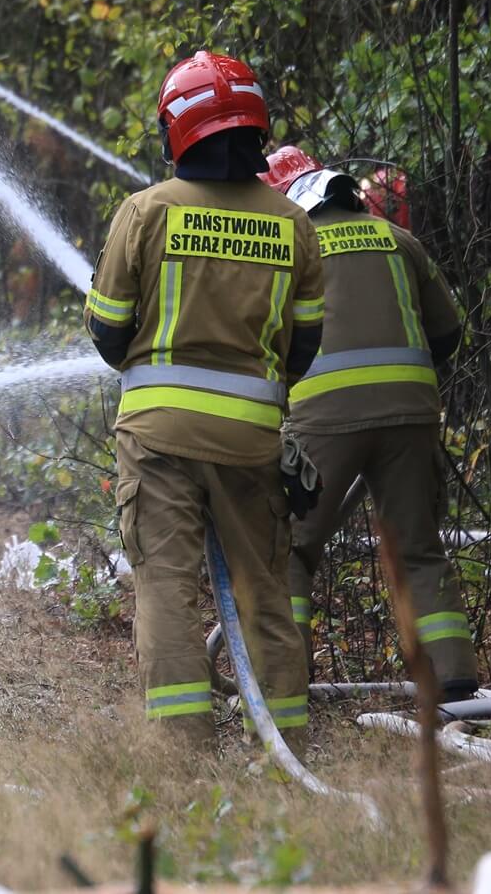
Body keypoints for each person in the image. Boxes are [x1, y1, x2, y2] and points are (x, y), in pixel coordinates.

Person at [84, 50, 323, 749]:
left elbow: (108, 330)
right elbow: (303, 348)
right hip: (252, 444)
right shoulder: (293, 224)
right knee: (265, 596)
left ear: (178, 129)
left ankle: (182, 751)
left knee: (166, 589)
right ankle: (283, 752)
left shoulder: (147, 212)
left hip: (158, 441)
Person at [262, 148, 476, 701]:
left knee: (290, 548)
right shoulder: (397, 239)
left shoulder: (286, 249)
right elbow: (447, 334)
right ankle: (452, 681)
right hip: (412, 413)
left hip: (322, 419)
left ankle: (285, 684)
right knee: (418, 547)